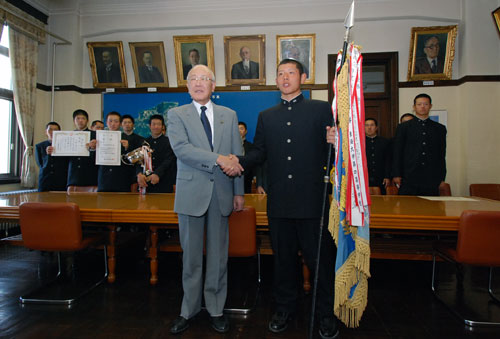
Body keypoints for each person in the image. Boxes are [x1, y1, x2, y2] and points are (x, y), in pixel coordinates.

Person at [238, 59, 338, 339]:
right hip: (280, 202)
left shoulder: (321, 110)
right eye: (280, 73)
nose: (284, 77)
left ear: (303, 77)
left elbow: (337, 152)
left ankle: (325, 314)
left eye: (290, 73)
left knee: (319, 261)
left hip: (313, 201)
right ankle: (284, 309)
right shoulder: (266, 116)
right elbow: (259, 153)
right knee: (283, 261)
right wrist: (238, 161)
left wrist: (336, 141)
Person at [167, 65, 244, 335]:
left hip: (222, 193)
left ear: (213, 85)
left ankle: (215, 309)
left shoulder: (229, 115)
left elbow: (237, 154)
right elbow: (183, 150)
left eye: (204, 79)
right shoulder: (176, 115)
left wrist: (238, 191)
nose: (198, 83)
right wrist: (219, 159)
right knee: (190, 257)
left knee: (218, 256)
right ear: (187, 86)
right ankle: (187, 309)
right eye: (193, 79)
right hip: (191, 194)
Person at [392, 93, 447, 196]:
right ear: (414, 107)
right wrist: (396, 174)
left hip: (431, 176)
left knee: (431, 209)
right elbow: (397, 152)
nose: (422, 107)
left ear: (430, 106)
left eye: (425, 104)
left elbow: (441, 154)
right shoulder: (403, 127)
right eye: (419, 104)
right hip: (409, 176)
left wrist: (441, 177)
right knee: (407, 208)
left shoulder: (439, 128)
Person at [136, 114, 176, 193]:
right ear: (150, 126)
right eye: (154, 124)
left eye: (159, 124)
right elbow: (139, 161)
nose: (156, 127)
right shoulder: (144, 142)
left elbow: (169, 160)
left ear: (163, 126)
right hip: (146, 183)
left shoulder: (169, 142)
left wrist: (157, 173)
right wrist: (139, 174)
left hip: (163, 182)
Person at [97, 111, 134, 192]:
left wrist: (128, 147)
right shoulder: (99, 138)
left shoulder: (128, 138)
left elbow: (132, 161)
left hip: (121, 179)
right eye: (110, 121)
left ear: (120, 124)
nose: (113, 124)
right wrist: (92, 148)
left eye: (116, 121)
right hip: (104, 179)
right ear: (106, 122)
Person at [67, 109, 98, 187]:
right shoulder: (68, 136)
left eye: (83, 118)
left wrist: (93, 148)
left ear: (87, 121)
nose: (80, 121)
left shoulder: (95, 135)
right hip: (73, 174)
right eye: (78, 118)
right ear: (74, 121)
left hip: (90, 173)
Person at [35, 122, 68, 192]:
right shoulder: (39, 146)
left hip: (61, 181)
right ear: (46, 132)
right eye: (50, 130)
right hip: (45, 181)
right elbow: (40, 164)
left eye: (55, 130)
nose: (52, 132)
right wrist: (48, 155)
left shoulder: (65, 145)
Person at [365, 118, 391, 194]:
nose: (369, 128)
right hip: (365, 177)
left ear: (376, 127)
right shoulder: (359, 142)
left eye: (372, 125)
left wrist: (387, 176)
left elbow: (388, 160)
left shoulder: (385, 142)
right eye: (366, 125)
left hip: (381, 177)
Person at [238, 121, 254, 193]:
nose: (239, 131)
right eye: (237, 129)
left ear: (246, 131)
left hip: (247, 178)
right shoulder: (230, 146)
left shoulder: (251, 146)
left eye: (241, 128)